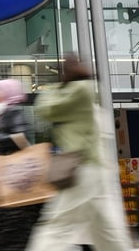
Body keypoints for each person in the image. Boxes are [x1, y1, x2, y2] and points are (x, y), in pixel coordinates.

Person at [27, 54, 132, 251]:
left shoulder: (78, 92)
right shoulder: (88, 92)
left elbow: (43, 107)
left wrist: (58, 85)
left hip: (81, 170)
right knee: (108, 232)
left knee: (57, 226)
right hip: (97, 171)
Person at [0, 79, 43, 251]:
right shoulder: (6, 113)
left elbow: (20, 138)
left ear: (6, 93)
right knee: (2, 231)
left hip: (12, 181)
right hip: (8, 181)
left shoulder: (13, 112)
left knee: (7, 231)